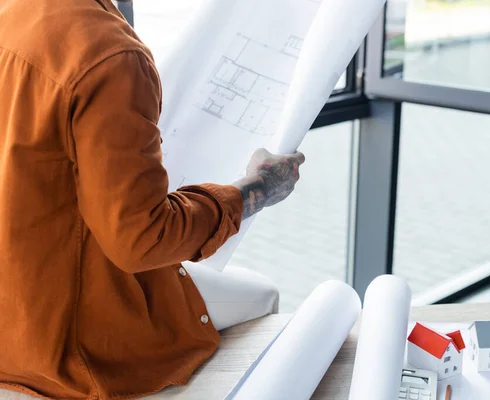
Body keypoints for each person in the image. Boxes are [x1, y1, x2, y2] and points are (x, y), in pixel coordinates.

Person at [0, 0, 305, 398]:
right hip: (62, 345)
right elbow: (143, 240)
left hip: (15, 295)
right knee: (263, 294)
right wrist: (256, 190)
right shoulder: (108, 54)